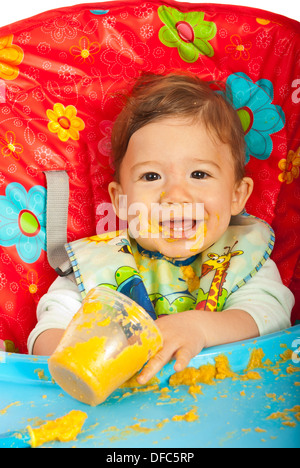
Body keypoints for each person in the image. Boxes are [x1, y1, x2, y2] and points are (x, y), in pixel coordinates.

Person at [28, 73, 294, 385]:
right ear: (121, 200)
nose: (176, 195)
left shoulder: (241, 257)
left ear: (237, 194)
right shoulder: (96, 266)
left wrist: (199, 328)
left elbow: (271, 317)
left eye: (199, 173)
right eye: (152, 177)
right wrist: (81, 359)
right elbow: (47, 329)